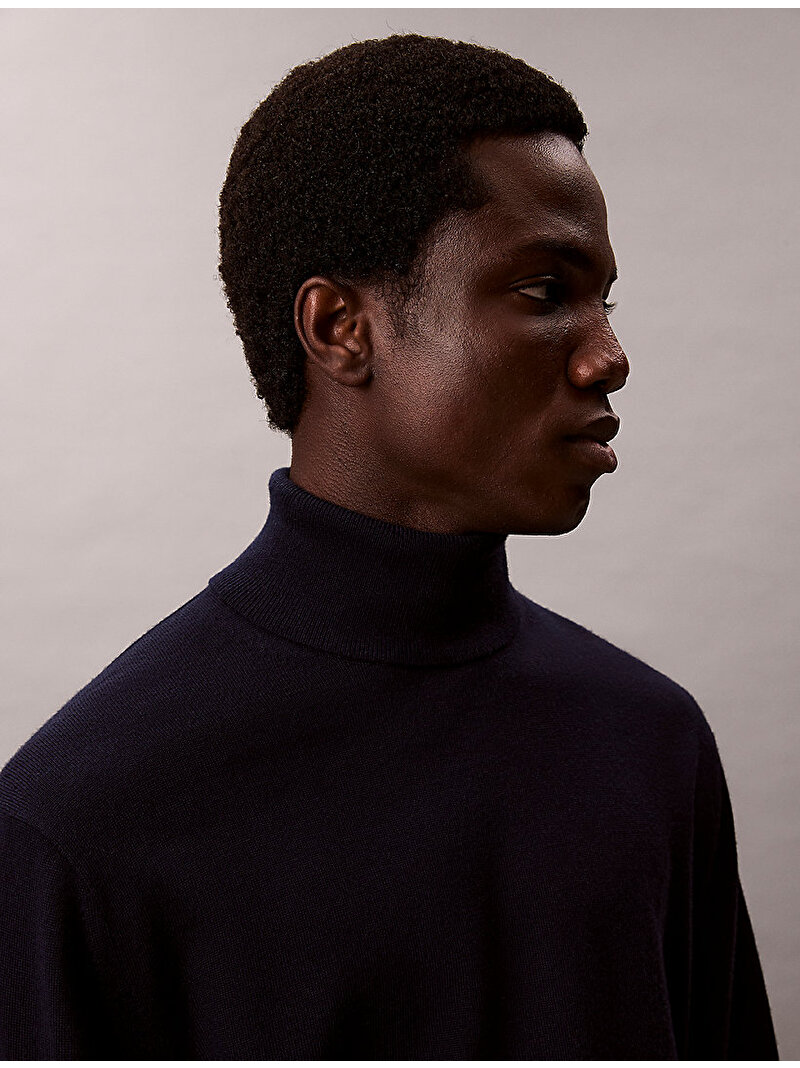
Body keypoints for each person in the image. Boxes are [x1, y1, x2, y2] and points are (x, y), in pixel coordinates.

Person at [0, 34, 779, 1059]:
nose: (608, 355)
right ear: (340, 328)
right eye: (545, 293)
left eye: (605, 299)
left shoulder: (650, 745)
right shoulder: (78, 822)